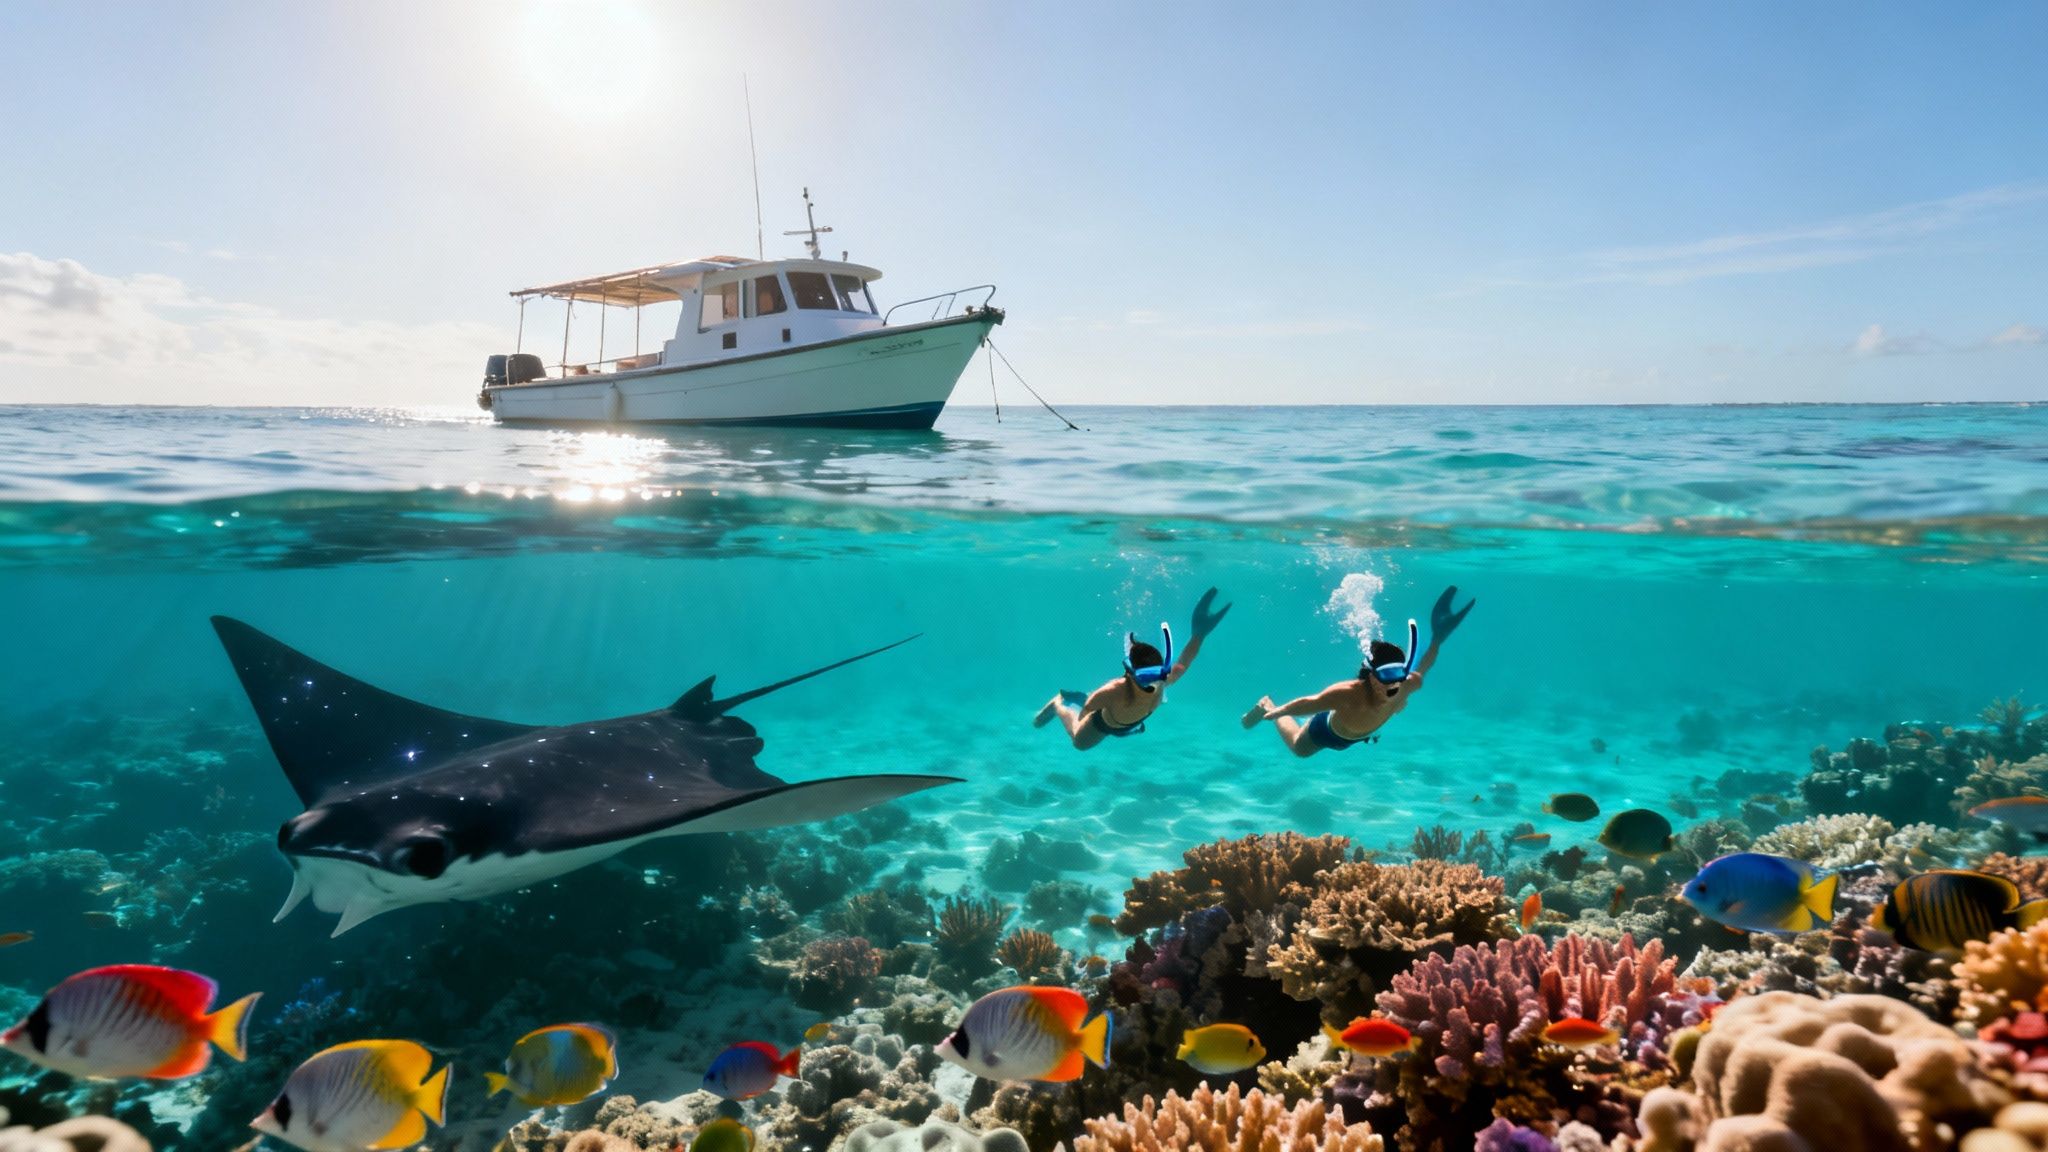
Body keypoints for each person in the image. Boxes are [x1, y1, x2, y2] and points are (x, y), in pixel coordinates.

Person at [1243, 586, 1474, 757]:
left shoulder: (1408, 683)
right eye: (1386, 676)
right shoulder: (1347, 693)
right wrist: (1277, 712)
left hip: (1360, 735)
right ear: (1371, 677)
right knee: (1299, 749)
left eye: (1398, 674)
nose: (1393, 684)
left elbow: (1424, 665)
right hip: (1328, 730)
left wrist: (1438, 637)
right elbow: (1308, 702)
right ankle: (1268, 704)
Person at [1033, 588, 1231, 750]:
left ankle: (1080, 700)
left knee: (1112, 714)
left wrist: (1199, 634)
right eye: (1146, 676)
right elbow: (1090, 707)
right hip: (1104, 724)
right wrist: (1085, 718)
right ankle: (1060, 703)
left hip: (1124, 721)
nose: (1153, 682)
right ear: (1130, 674)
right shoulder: (1114, 689)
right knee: (1079, 742)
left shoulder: (1161, 680)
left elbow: (1185, 662)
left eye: (1156, 673)